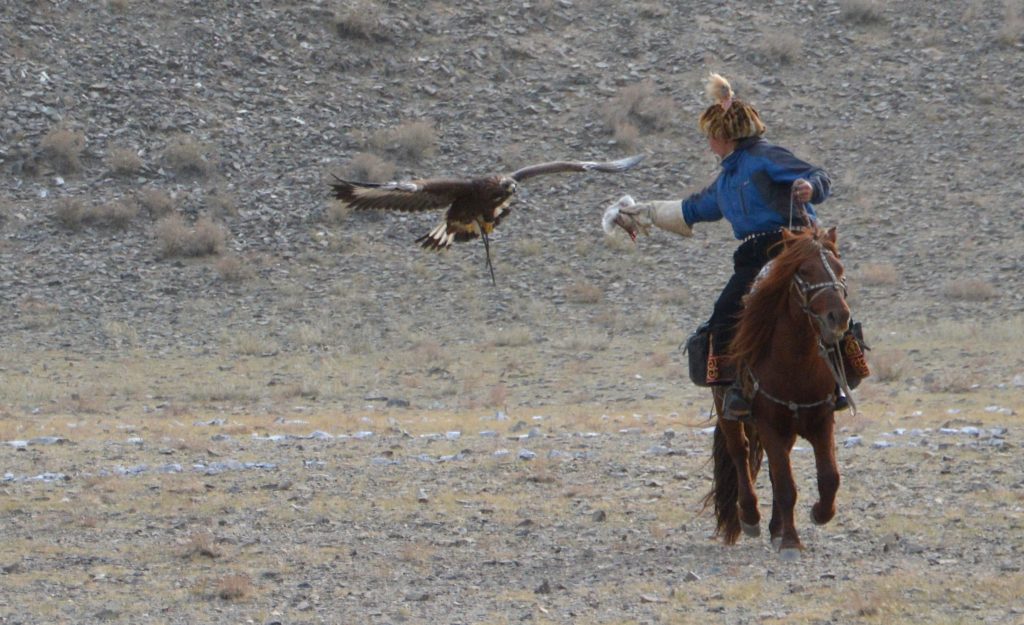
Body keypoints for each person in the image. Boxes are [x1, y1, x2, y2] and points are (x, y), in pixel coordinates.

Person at [613, 72, 847, 420]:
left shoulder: (767, 156)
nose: (709, 143)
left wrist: (811, 189)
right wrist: (641, 214)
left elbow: (818, 175)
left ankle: (840, 377)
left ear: (724, 135)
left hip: (793, 247)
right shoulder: (725, 181)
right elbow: (692, 209)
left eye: (711, 136)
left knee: (828, 298)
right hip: (752, 257)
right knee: (724, 314)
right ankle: (735, 387)